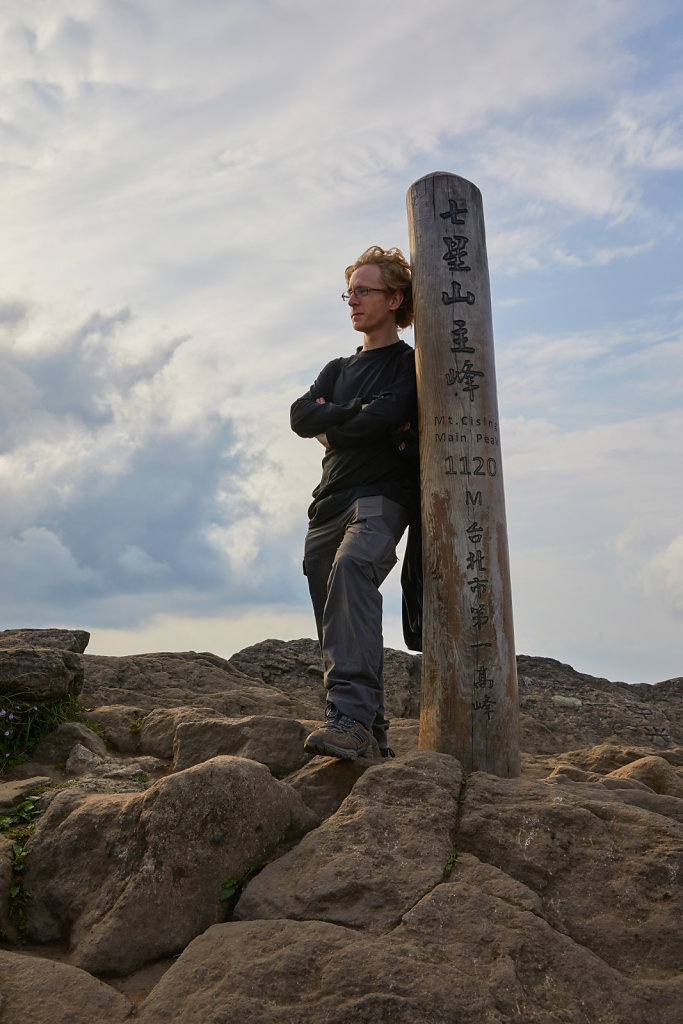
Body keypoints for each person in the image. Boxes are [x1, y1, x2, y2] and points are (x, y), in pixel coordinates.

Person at [290, 245, 420, 761]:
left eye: (364, 291)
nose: (352, 301)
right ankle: (372, 732)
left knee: (353, 569)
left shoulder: (411, 363)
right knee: (337, 614)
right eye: (350, 292)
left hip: (381, 497)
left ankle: (348, 719)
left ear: (394, 299)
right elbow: (301, 416)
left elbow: (380, 415)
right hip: (328, 504)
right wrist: (357, 418)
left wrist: (335, 422)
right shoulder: (337, 367)